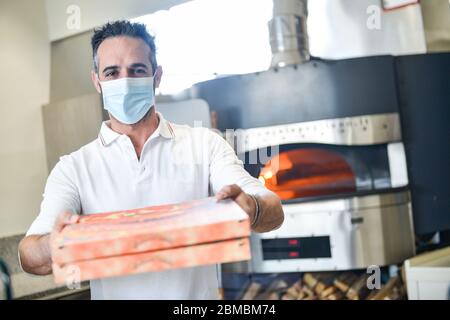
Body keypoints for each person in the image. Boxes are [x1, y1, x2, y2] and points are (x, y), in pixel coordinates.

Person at [18, 20, 284, 300]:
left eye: (137, 70)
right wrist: (53, 244)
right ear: (97, 81)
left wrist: (251, 208)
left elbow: (273, 210)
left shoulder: (204, 144)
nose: (125, 80)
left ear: (156, 77)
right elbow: (28, 255)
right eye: (112, 72)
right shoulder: (73, 168)